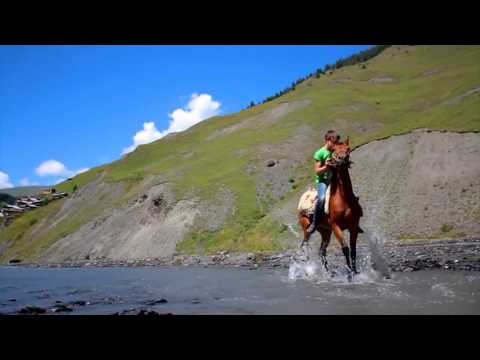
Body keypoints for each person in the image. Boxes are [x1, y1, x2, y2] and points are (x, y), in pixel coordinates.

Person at [306, 130, 339, 235]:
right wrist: (327, 166)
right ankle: (315, 223)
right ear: (327, 140)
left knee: (353, 194)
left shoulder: (336, 151)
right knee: (321, 199)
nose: (334, 145)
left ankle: (355, 222)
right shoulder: (320, 153)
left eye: (336, 143)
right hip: (323, 181)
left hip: (335, 179)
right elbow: (317, 171)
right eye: (333, 142)